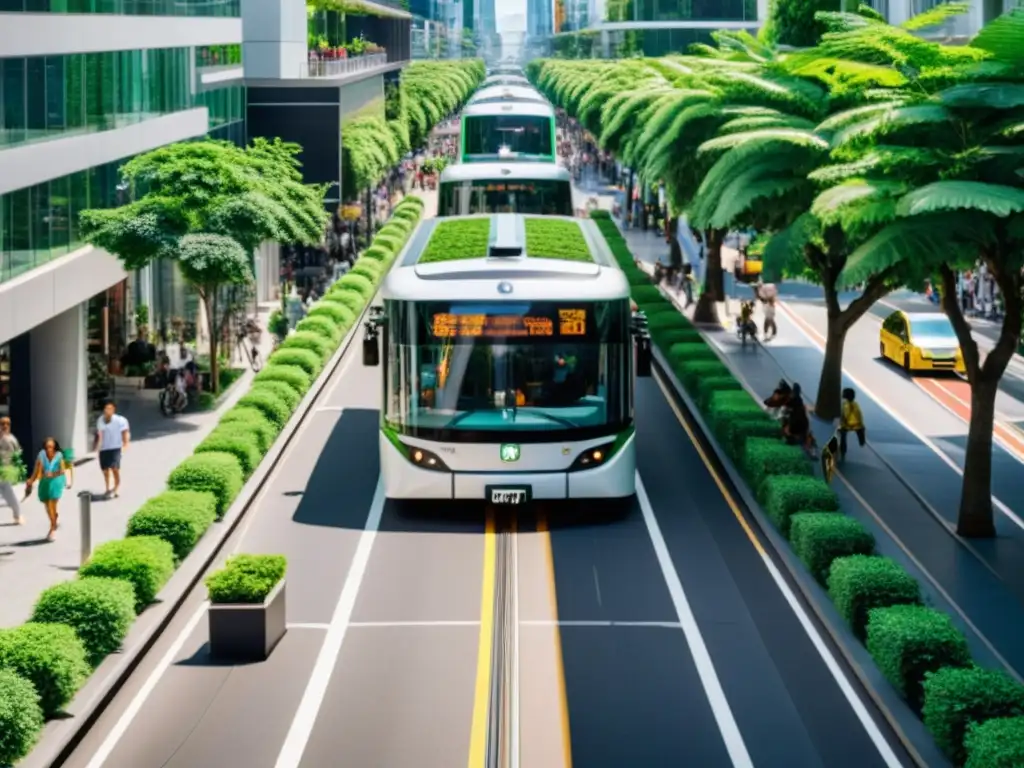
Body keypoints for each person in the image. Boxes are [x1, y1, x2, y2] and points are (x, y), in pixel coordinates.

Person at [26, 437, 72, 541]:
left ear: (55, 448)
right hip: (44, 483)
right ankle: (54, 517)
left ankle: (52, 529)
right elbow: (36, 469)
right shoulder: (41, 455)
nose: (48, 449)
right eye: (47, 447)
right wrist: (31, 480)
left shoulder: (59, 456)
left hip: (56, 482)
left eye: (51, 447)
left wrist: (53, 474)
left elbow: (62, 471)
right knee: (47, 505)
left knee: (52, 504)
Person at [94, 400, 130, 499]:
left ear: (114, 410)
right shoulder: (100, 420)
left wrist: (125, 445)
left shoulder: (121, 420)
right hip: (104, 449)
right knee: (105, 470)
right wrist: (97, 448)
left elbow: (125, 433)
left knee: (115, 469)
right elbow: (100, 435)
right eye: (106, 408)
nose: (108, 410)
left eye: (110, 408)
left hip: (115, 448)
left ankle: (116, 488)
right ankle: (108, 488)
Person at [0, 416, 23, 524]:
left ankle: (17, 515)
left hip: (5, 470)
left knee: (9, 494)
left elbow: (17, 453)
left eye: (6, 425)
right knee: (8, 493)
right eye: (2, 424)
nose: (4, 427)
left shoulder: (10, 440)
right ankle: (17, 515)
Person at [839, 387, 866, 459]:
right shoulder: (855, 404)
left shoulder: (846, 405)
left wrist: (842, 424)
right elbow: (859, 415)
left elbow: (845, 415)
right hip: (858, 424)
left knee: (842, 436)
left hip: (848, 424)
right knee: (860, 430)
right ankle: (861, 439)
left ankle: (843, 451)